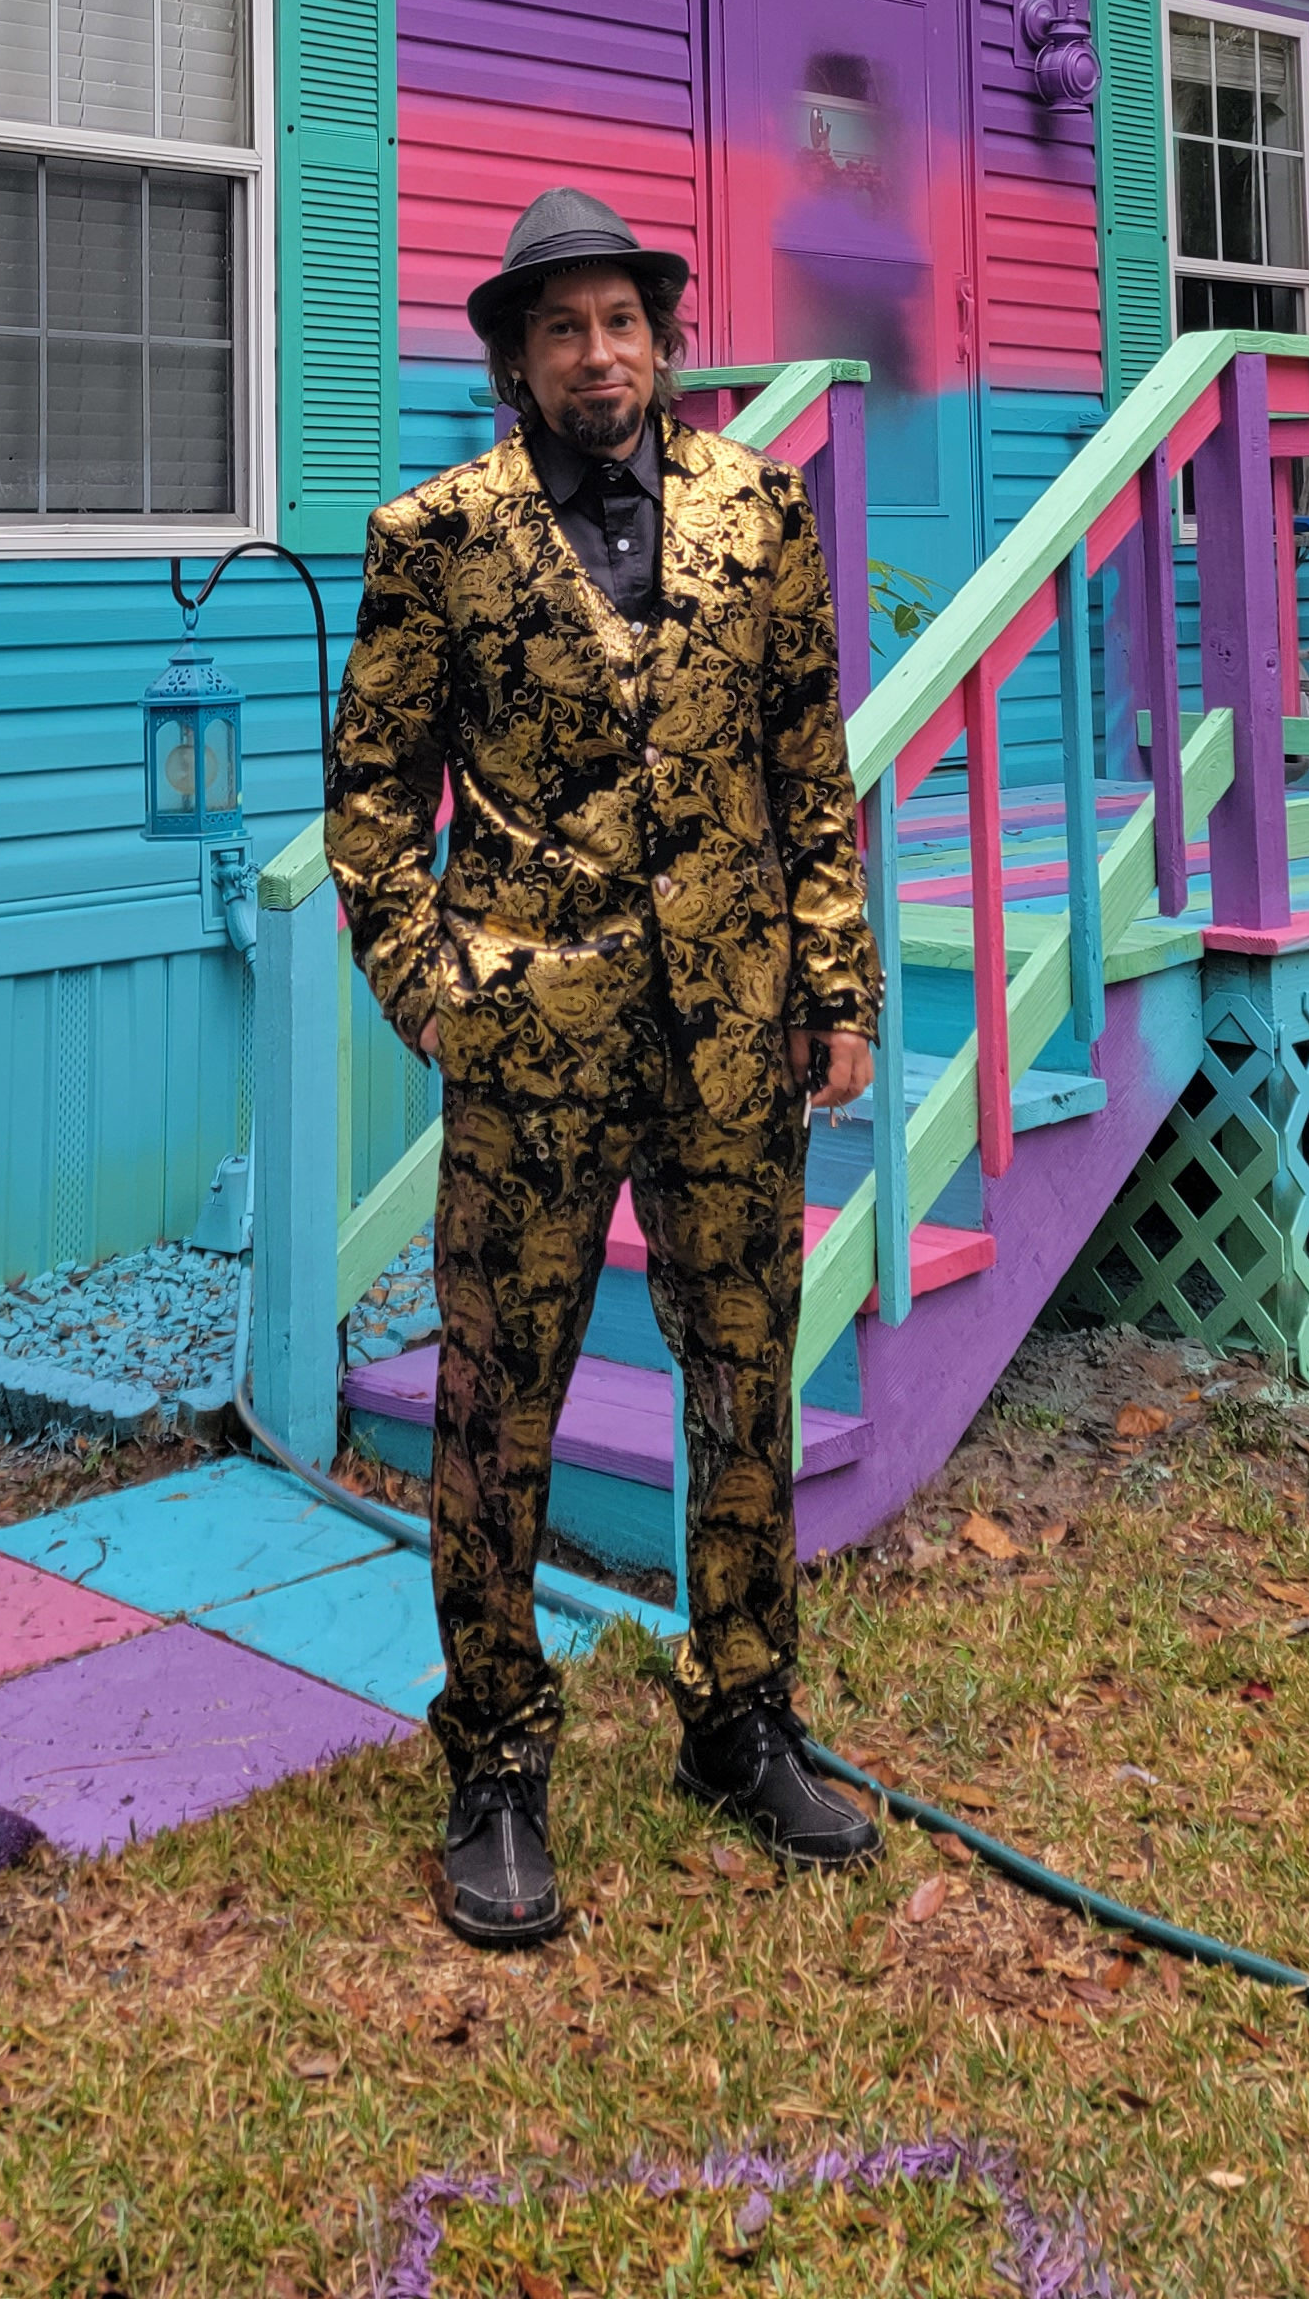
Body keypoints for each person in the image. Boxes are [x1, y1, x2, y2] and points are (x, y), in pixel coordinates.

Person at [326, 185, 887, 1946]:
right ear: (514, 353)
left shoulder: (758, 513)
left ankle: (743, 1713)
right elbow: (368, 802)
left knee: (745, 1383)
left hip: (732, 1045)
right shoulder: (438, 537)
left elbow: (810, 760)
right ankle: (496, 1760)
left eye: (625, 321)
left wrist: (836, 978)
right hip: (532, 1055)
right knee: (501, 1415)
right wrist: (437, 996)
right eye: (562, 326)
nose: (600, 354)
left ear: (664, 338)